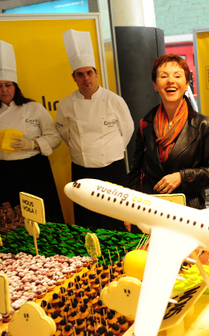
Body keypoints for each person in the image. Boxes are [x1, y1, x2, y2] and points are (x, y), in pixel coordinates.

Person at [0, 40, 64, 223]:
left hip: (35, 169)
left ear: (15, 86)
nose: (4, 90)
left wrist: (33, 144)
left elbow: (54, 137)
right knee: (11, 219)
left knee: (44, 216)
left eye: (8, 84)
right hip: (5, 172)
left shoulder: (34, 108)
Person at [56, 29, 134, 231]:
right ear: (73, 77)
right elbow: (65, 134)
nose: (85, 79)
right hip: (82, 169)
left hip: (112, 169)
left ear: (96, 73)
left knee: (114, 218)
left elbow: (128, 130)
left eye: (89, 73)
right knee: (87, 219)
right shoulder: (65, 105)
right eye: (80, 74)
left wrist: (111, 149)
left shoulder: (114, 100)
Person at [125, 54, 209, 210]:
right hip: (150, 207)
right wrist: (129, 208)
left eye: (177, 76)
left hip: (189, 210)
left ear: (186, 84)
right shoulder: (145, 124)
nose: (170, 80)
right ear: (155, 85)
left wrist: (182, 177)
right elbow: (136, 172)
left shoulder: (204, 125)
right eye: (163, 76)